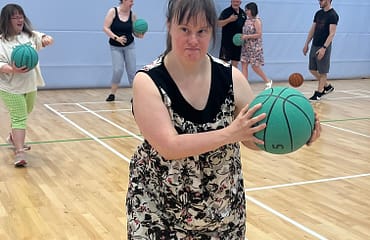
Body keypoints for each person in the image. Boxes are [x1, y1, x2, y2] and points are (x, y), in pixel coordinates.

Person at [126, 0, 321, 238]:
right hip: (159, 209)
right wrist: (230, 133)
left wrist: (301, 134)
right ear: (169, 26)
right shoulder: (148, 81)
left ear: (212, 31)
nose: (193, 40)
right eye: (184, 30)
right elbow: (170, 146)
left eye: (202, 31)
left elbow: (252, 137)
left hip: (222, 211)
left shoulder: (233, 79)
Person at [0, 4, 54, 167]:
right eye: (15, 17)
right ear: (6, 20)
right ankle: (20, 153)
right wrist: (13, 69)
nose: (20, 19)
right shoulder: (1, 41)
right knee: (19, 118)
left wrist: (46, 39)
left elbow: (44, 38)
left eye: (21, 15)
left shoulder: (29, 36)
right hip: (10, 87)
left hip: (30, 85)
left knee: (27, 110)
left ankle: (12, 137)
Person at [103, 0, 144, 102]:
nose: (132, 3)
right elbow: (105, 28)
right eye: (130, 1)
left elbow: (135, 32)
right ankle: (112, 94)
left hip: (129, 46)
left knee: (131, 71)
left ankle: (135, 96)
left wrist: (140, 35)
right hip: (115, 46)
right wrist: (117, 38)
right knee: (118, 70)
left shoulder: (133, 15)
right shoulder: (113, 12)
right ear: (124, 1)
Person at [303, 0, 339, 101]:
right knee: (312, 69)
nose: (319, 1)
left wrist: (324, 48)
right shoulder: (318, 13)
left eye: (321, 0)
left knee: (323, 72)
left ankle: (318, 93)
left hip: (324, 46)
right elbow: (312, 29)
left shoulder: (333, 15)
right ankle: (327, 86)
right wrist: (306, 43)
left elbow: (332, 33)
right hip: (315, 44)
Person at [241, 2, 272, 89]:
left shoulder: (257, 20)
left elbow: (259, 34)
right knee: (244, 64)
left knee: (254, 66)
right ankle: (244, 84)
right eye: (245, 10)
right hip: (246, 46)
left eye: (247, 10)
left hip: (254, 47)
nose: (246, 11)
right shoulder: (247, 20)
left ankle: (267, 81)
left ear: (252, 10)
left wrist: (247, 36)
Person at [218, 0, 246, 67]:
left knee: (235, 64)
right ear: (231, 2)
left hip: (238, 43)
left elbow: (245, 26)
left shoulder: (243, 13)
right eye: (234, 1)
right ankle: (223, 77)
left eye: (237, 2)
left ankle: (232, 77)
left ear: (240, 2)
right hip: (227, 42)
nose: (235, 3)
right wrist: (229, 20)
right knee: (223, 64)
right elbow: (218, 24)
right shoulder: (226, 12)